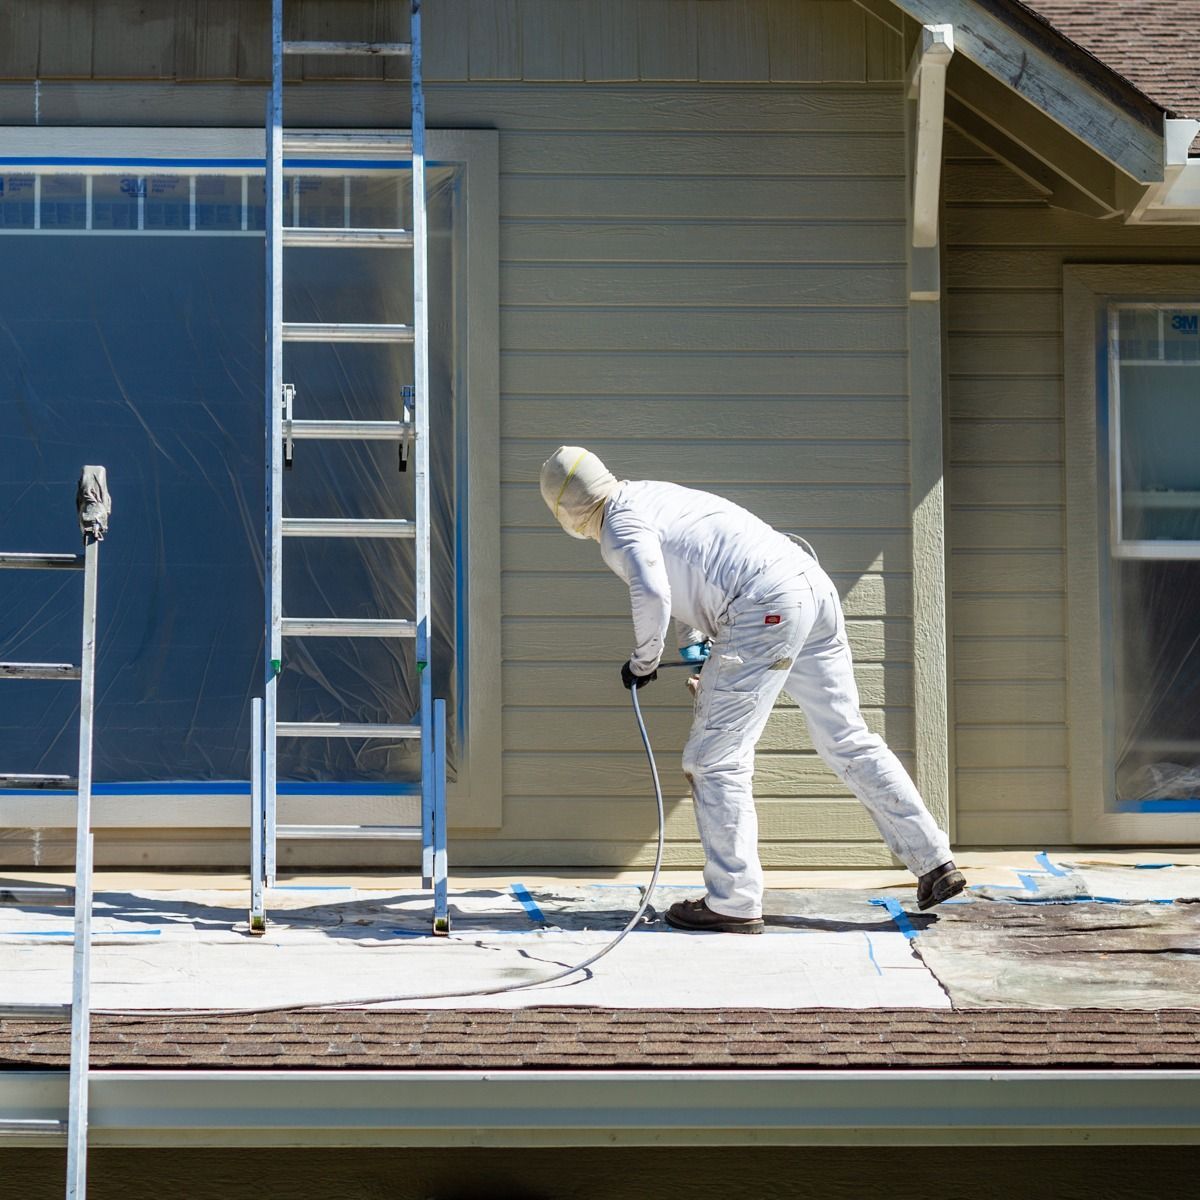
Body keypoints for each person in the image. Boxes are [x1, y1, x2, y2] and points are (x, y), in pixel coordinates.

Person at [539, 445, 964, 934]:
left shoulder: (618, 527)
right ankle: (933, 859)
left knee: (714, 758)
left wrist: (644, 661)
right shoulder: (652, 496)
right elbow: (692, 575)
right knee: (846, 736)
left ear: (565, 511)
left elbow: (654, 592)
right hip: (807, 585)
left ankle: (733, 901)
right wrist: (700, 650)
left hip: (763, 603)